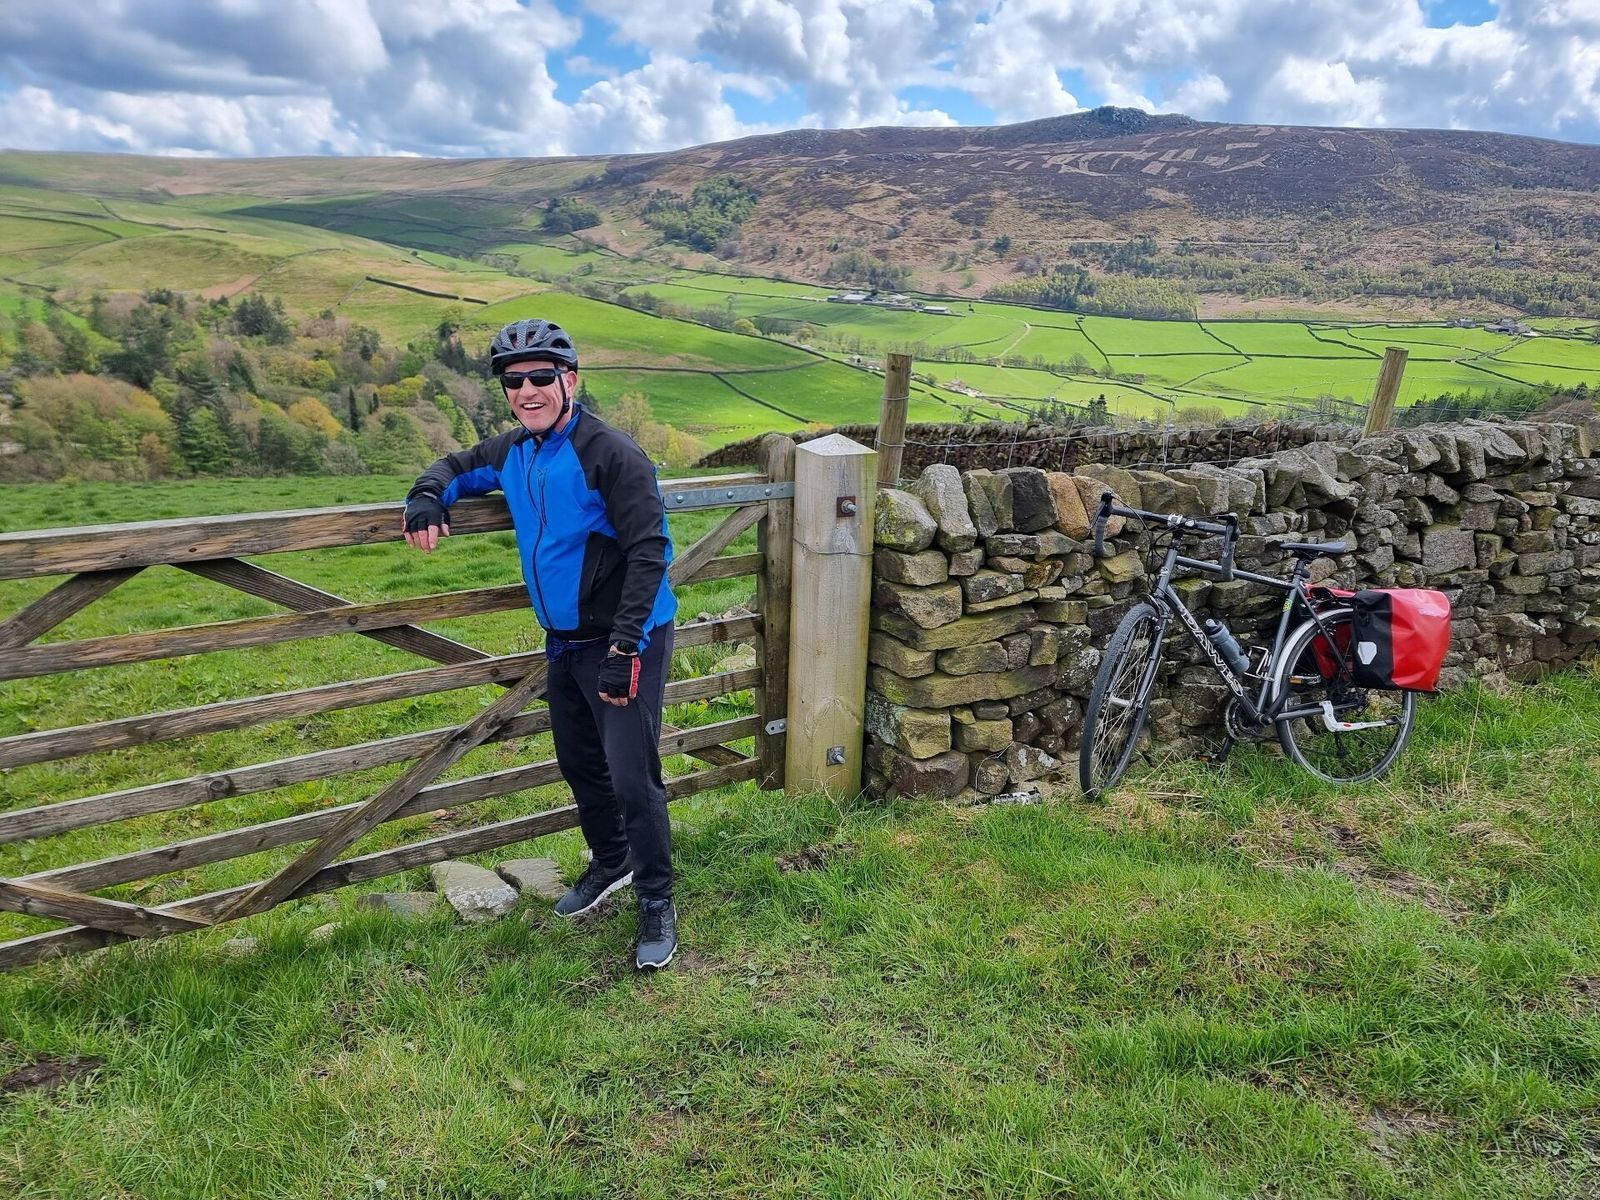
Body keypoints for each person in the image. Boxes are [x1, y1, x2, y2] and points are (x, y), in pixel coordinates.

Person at [401, 318, 680, 969]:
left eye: (540, 377)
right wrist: (425, 496)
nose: (526, 391)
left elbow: (650, 552)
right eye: (514, 381)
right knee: (580, 762)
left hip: (625, 639)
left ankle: (656, 899)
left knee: (632, 777)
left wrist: (625, 649)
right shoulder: (515, 451)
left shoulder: (611, 453)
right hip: (564, 642)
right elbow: (457, 467)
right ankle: (611, 861)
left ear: (569, 381)